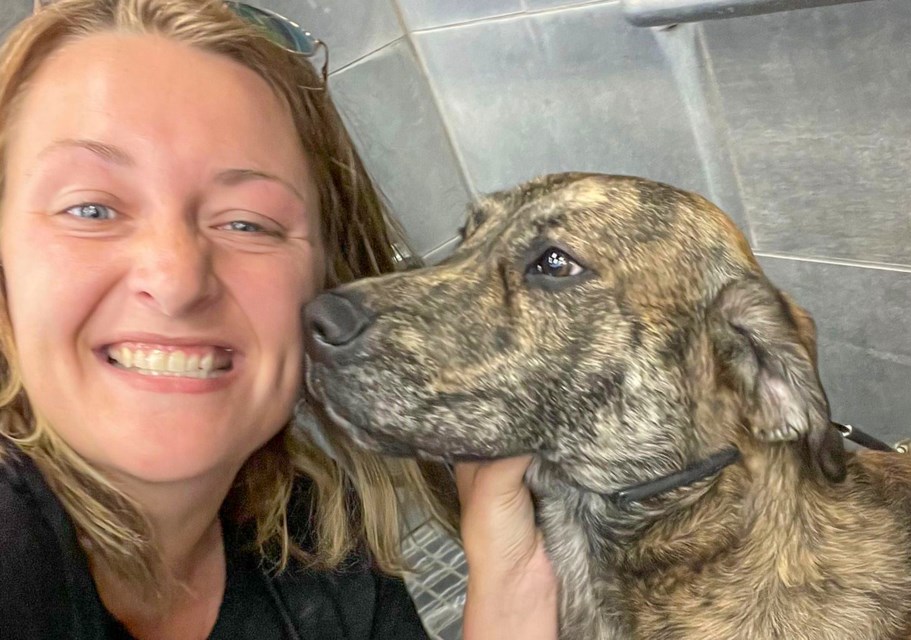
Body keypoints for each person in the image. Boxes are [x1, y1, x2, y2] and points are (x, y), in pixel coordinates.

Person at [0, 0, 558, 638]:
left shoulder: (319, 547)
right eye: (92, 210)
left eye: (247, 223)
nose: (177, 280)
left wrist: (508, 576)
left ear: (324, 279)